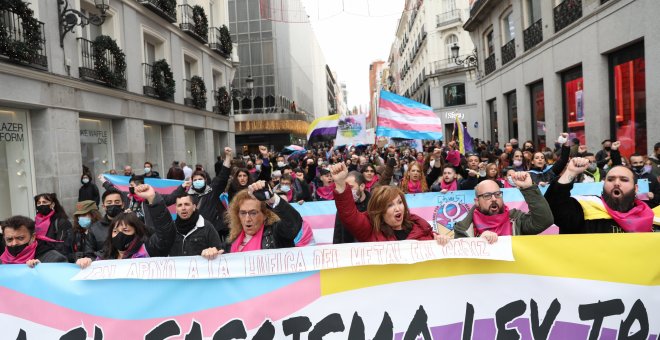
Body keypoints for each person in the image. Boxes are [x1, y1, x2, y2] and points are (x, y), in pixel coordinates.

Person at [331, 162, 450, 243]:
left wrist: (441, 240)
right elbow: (349, 216)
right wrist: (341, 184)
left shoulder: (420, 227)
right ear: (380, 211)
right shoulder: (370, 231)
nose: (397, 208)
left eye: (399, 202)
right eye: (390, 205)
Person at [545, 157, 660, 233]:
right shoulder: (585, 208)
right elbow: (553, 207)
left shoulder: (649, 217)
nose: (616, 183)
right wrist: (570, 172)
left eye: (624, 180)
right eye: (610, 179)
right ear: (603, 185)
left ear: (635, 188)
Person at [77, 184, 175, 267]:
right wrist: (86, 262)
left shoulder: (148, 250)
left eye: (125, 230)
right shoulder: (103, 257)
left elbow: (166, 234)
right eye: (115, 231)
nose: (120, 235)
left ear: (136, 232)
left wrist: (153, 198)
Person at [453, 172, 554, 242]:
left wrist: (528, 188)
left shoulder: (516, 219)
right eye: (487, 196)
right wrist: (477, 242)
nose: (493, 199)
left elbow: (544, 221)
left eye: (497, 194)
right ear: (477, 202)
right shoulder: (463, 229)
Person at [224, 180, 304, 252]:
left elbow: (293, 222)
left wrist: (271, 199)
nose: (247, 219)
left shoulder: (277, 234)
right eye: (243, 213)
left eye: (253, 213)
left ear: (265, 214)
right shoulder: (230, 243)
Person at [1, 215, 67, 267]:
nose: (14, 243)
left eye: (20, 238)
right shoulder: (2, 261)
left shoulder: (54, 259)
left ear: (33, 237)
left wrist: (43, 270)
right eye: (9, 239)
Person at [84, 189, 125, 259]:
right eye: (109, 203)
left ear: (123, 205)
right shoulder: (94, 228)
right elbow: (89, 254)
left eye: (117, 202)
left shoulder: (132, 224)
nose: (113, 204)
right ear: (103, 206)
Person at [333, 171, 370, 244]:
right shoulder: (343, 207)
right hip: (348, 250)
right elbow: (338, 233)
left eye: (350, 187)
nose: (348, 191)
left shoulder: (373, 205)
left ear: (362, 186)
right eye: (346, 187)